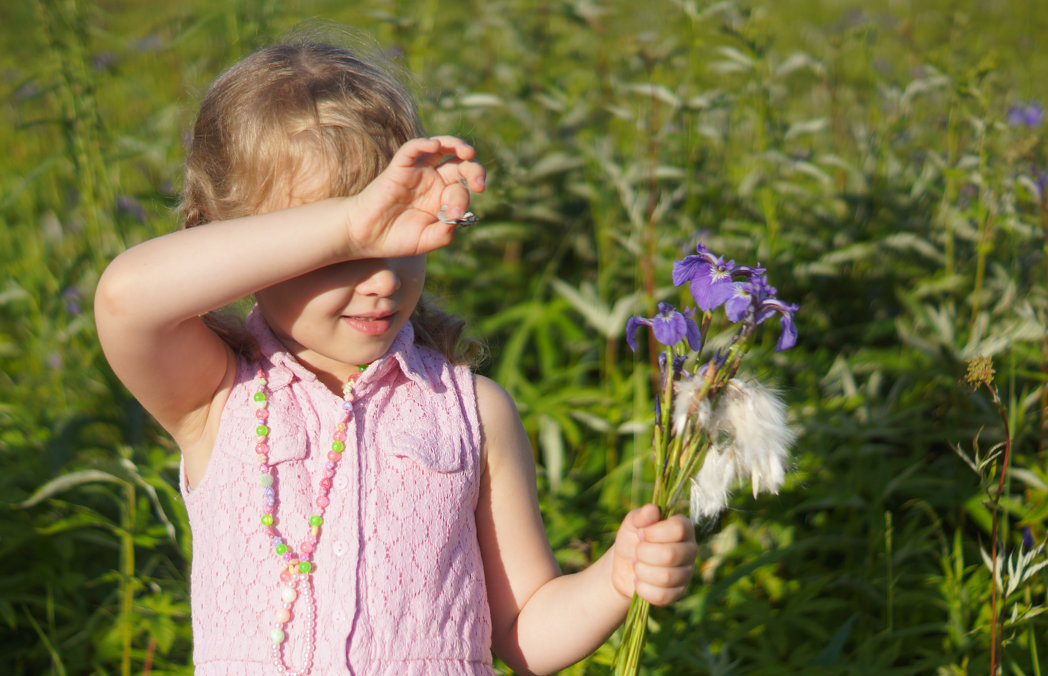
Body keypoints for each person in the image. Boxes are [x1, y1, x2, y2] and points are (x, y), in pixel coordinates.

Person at [95, 31, 697, 676]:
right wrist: (349, 222)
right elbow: (128, 297)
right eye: (341, 254)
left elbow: (524, 632)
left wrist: (616, 577)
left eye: (399, 238)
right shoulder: (217, 397)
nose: (381, 278)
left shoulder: (472, 413)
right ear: (254, 241)